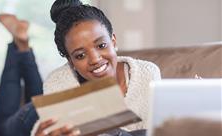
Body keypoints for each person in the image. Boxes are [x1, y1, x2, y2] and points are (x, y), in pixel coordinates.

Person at [32, 0, 161, 135]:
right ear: (70, 61)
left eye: (101, 46)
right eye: (80, 55)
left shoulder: (147, 74)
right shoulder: (57, 83)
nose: (95, 59)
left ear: (113, 41)